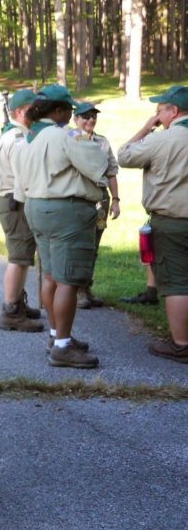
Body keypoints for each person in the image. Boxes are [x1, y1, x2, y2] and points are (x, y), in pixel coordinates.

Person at [14, 84, 108, 369]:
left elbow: (19, 184)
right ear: (58, 110)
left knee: (50, 276)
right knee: (68, 279)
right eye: (69, 109)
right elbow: (98, 165)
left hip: (35, 207)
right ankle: (63, 348)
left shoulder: (28, 137)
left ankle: (57, 336)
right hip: (66, 210)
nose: (71, 115)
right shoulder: (65, 135)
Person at [117, 84, 188, 363]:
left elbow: (124, 155)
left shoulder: (162, 140)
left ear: (174, 111)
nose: (157, 115)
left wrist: (146, 128)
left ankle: (181, 344)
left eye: (159, 110)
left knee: (176, 283)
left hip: (172, 222)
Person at [0, 88, 45, 331]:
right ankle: (10, 311)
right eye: (34, 108)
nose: (38, 112)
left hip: (13, 200)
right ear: (22, 111)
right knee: (18, 258)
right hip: (15, 201)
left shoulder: (16, 134)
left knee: (22, 257)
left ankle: (17, 303)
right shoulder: (17, 138)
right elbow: (24, 174)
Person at [71, 102, 121, 309]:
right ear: (76, 119)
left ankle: (87, 287)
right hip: (79, 198)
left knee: (94, 244)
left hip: (101, 198)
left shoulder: (102, 141)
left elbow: (112, 172)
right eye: (85, 116)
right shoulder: (69, 139)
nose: (90, 120)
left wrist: (116, 200)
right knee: (79, 245)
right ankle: (77, 290)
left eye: (93, 116)